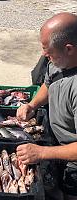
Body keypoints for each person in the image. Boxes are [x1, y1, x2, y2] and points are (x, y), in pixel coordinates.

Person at [16, 12, 77, 200]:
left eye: (47, 50)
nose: (44, 54)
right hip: (57, 140)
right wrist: (32, 105)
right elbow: (50, 83)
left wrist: (42, 152)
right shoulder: (59, 61)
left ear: (69, 49)